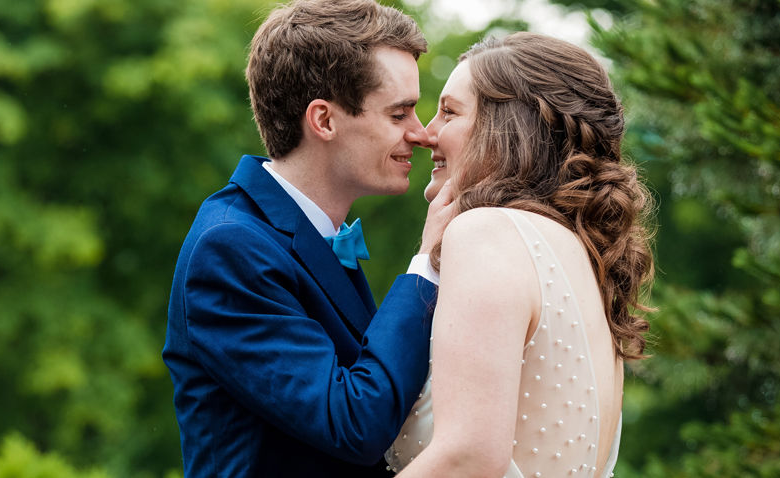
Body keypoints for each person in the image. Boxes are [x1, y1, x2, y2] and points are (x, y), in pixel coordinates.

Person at [162, 1, 454, 476]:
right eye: (400, 113)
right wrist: (428, 265)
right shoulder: (230, 249)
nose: (421, 134)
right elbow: (354, 423)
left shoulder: (311, 233)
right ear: (324, 120)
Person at [386, 33, 655, 477]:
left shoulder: (486, 234)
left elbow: (467, 457)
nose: (426, 133)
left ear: (508, 127)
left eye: (449, 112)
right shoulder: (588, 266)